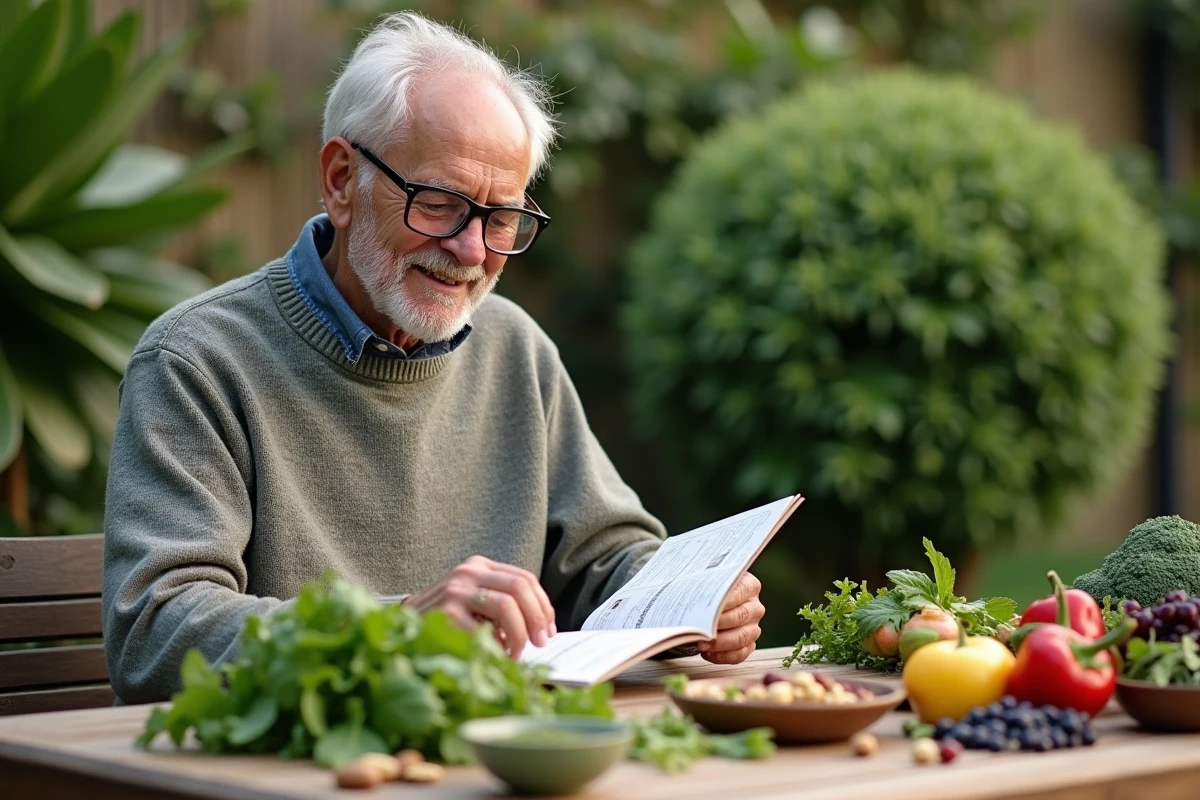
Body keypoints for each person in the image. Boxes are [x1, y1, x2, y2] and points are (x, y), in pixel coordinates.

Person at [102, 12, 765, 704]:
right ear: (340, 180)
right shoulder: (197, 360)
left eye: (501, 217)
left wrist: (688, 601)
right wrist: (396, 629)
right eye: (441, 202)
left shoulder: (515, 348)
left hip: (496, 755)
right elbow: (155, 632)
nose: (473, 250)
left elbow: (604, 557)